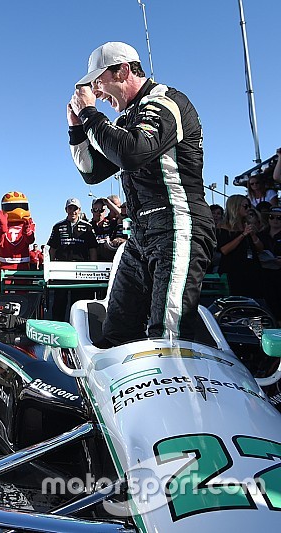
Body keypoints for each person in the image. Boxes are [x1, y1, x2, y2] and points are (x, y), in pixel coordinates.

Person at [68, 41, 215, 346]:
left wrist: (91, 114)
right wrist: (77, 128)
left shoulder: (165, 101)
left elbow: (132, 153)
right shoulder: (126, 119)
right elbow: (92, 173)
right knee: (116, 334)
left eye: (99, 82)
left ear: (123, 70)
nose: (96, 92)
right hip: (141, 234)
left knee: (168, 335)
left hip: (178, 225)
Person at [47, 197, 98, 320]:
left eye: (75, 209)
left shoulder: (88, 227)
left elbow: (93, 249)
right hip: (62, 270)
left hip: (81, 269)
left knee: (79, 301)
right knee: (59, 301)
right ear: (66, 209)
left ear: (79, 210)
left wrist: (93, 268)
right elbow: (52, 249)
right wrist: (51, 270)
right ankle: (57, 327)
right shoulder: (58, 226)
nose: (73, 211)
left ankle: (79, 327)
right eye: (70, 208)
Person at [216, 194, 264, 299]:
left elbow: (260, 249)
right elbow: (224, 250)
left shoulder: (247, 224)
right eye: (245, 206)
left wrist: (252, 234)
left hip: (252, 269)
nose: (248, 209)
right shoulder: (223, 227)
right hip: (233, 270)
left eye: (249, 206)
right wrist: (243, 235)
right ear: (236, 207)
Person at [0, 191, 35, 287]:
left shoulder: (28, 222)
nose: (18, 209)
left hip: (22, 264)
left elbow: (30, 240)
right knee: (3, 295)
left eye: (21, 206)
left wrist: (27, 231)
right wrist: (2, 229)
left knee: (22, 295)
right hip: (5, 264)